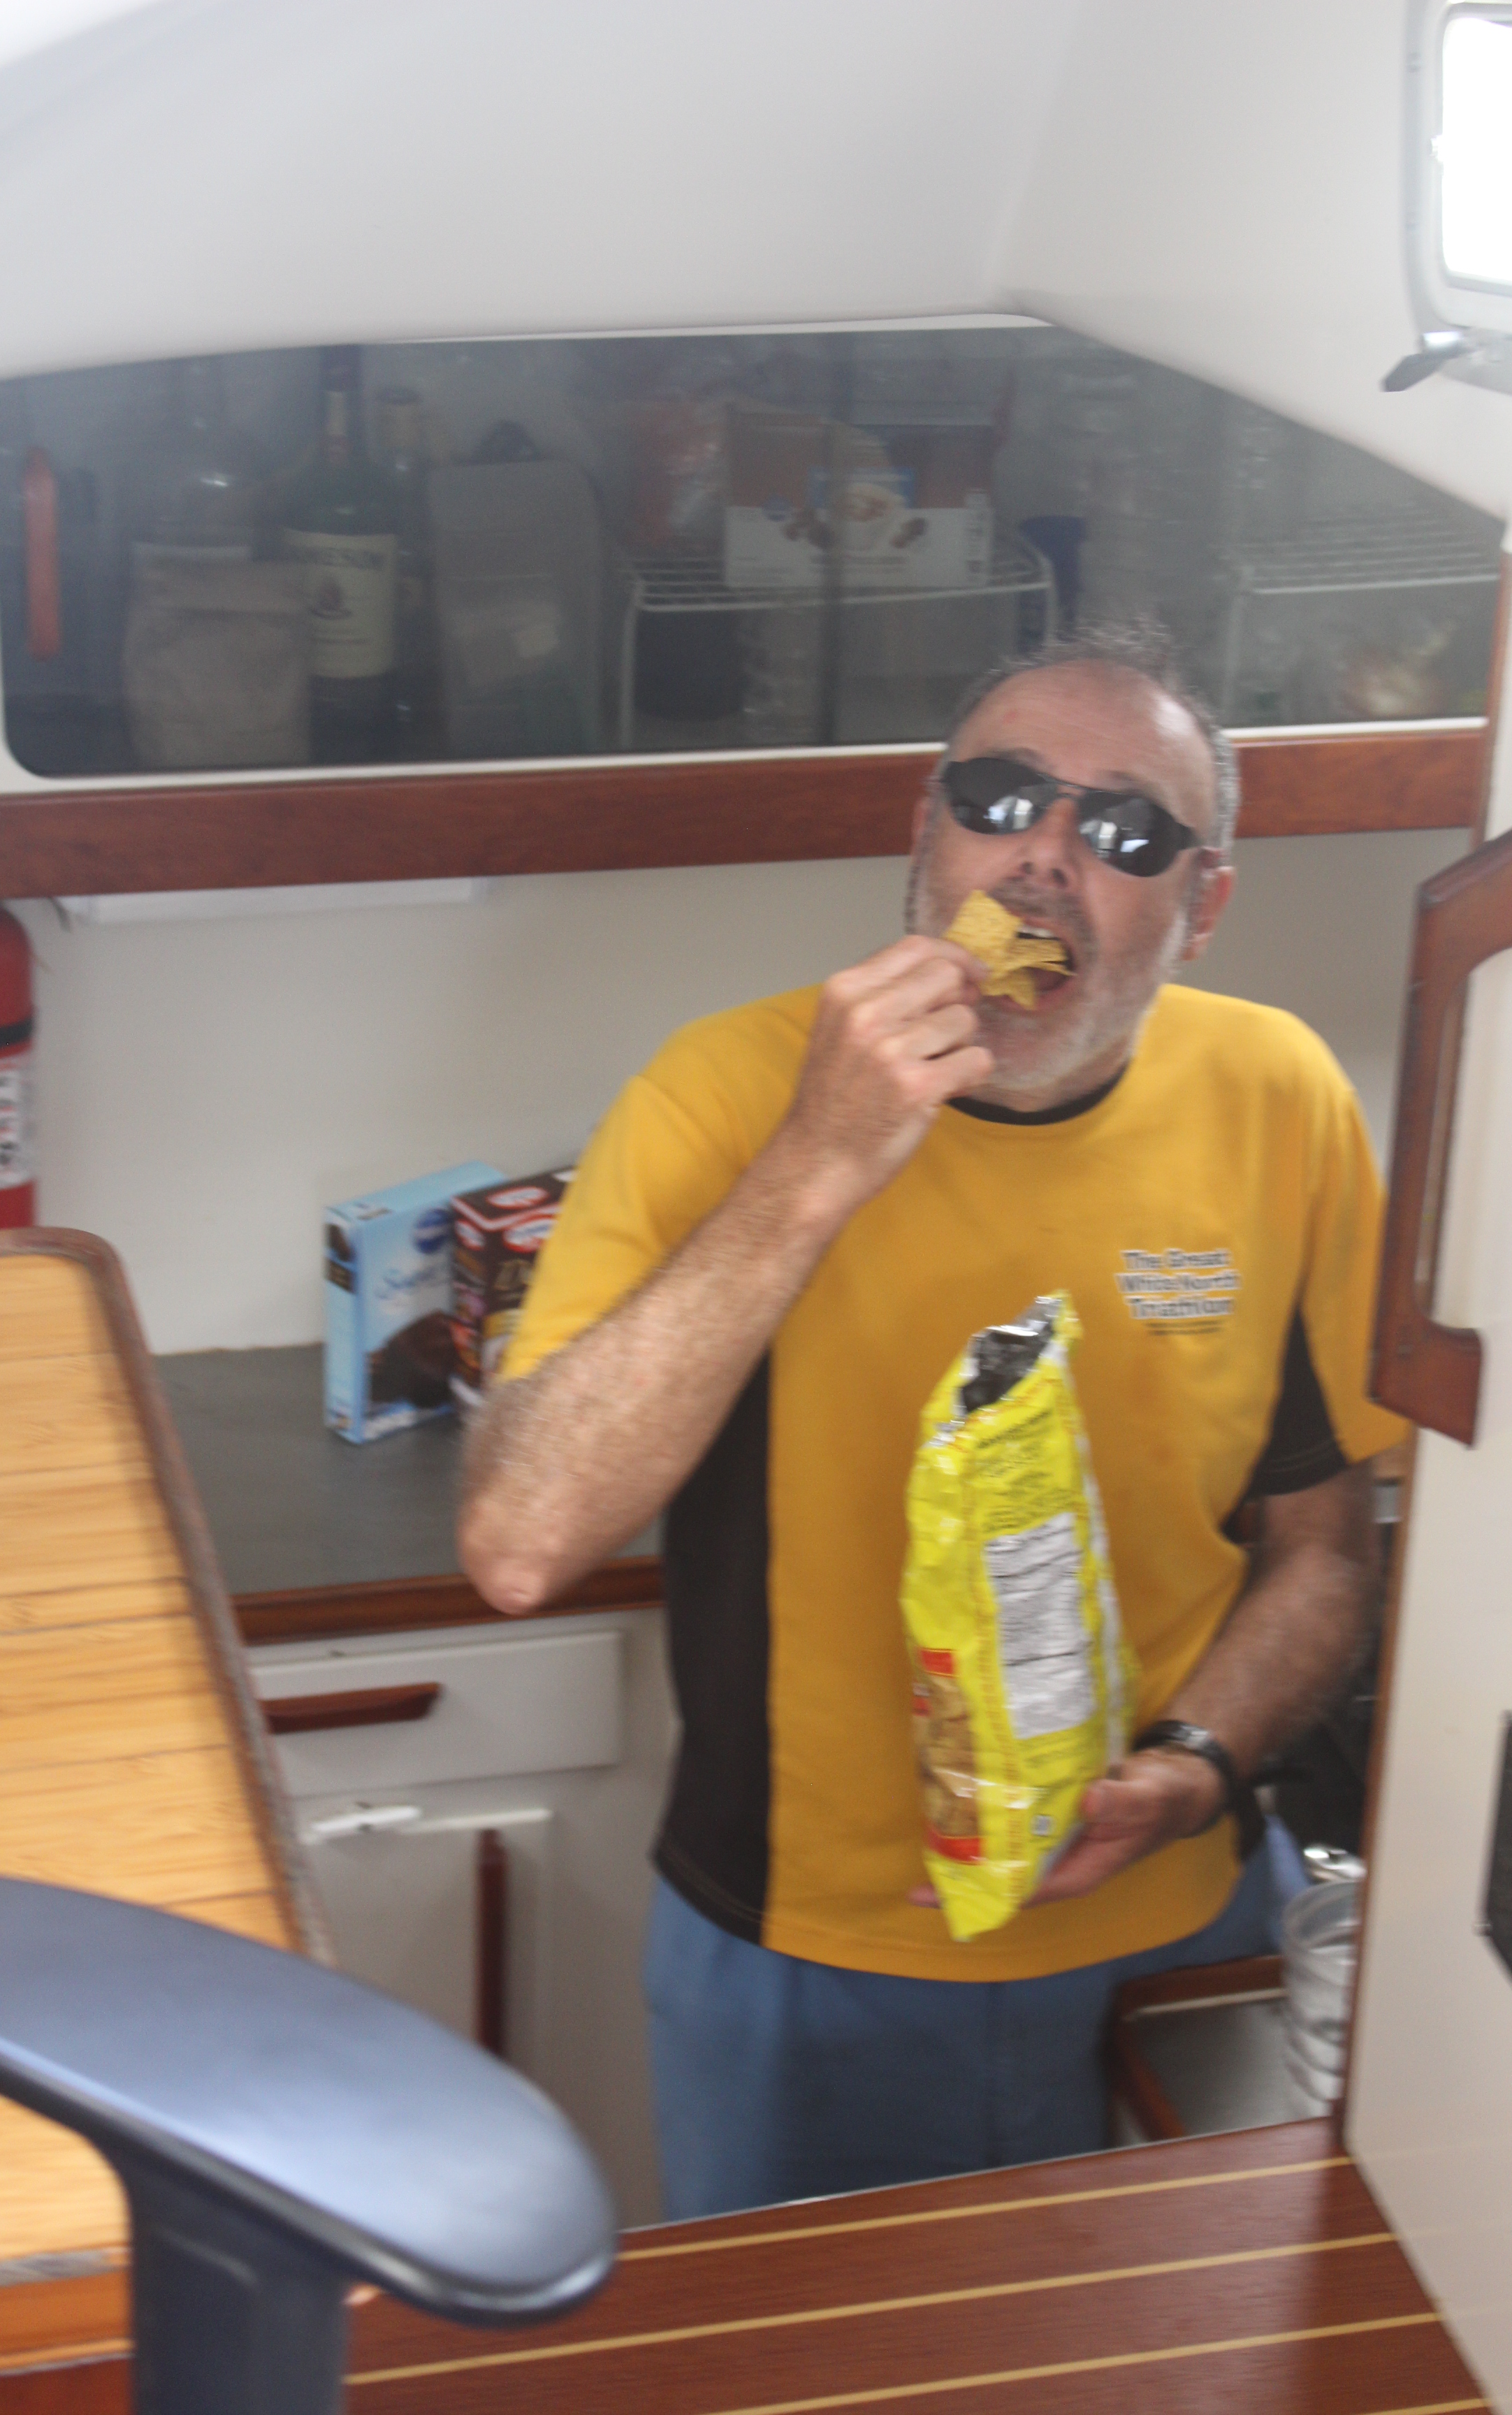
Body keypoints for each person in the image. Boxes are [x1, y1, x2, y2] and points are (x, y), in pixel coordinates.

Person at [458, 625, 1406, 2218]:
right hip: (818, 1961)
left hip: (1179, 1928)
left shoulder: (1281, 1095)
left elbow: (1324, 1549)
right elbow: (518, 1542)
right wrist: (823, 1158)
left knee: (1187, 2350)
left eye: (1129, 832)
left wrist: (1196, 1763)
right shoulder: (723, 1096)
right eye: (1001, 798)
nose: (1044, 859)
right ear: (926, 832)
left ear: (1203, 908)